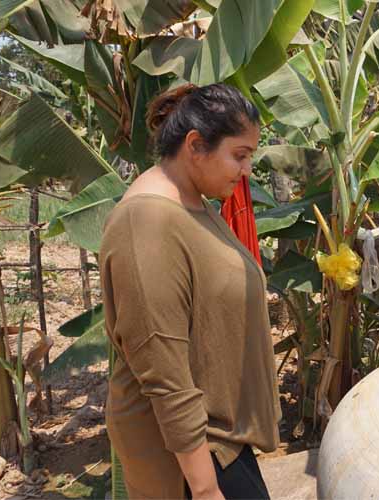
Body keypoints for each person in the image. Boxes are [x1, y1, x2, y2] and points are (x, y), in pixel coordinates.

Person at [99, 83, 281, 499]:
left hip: (218, 438)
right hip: (186, 454)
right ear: (196, 145)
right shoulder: (145, 223)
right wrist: (204, 488)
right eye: (240, 155)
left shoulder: (195, 203)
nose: (246, 171)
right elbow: (163, 369)